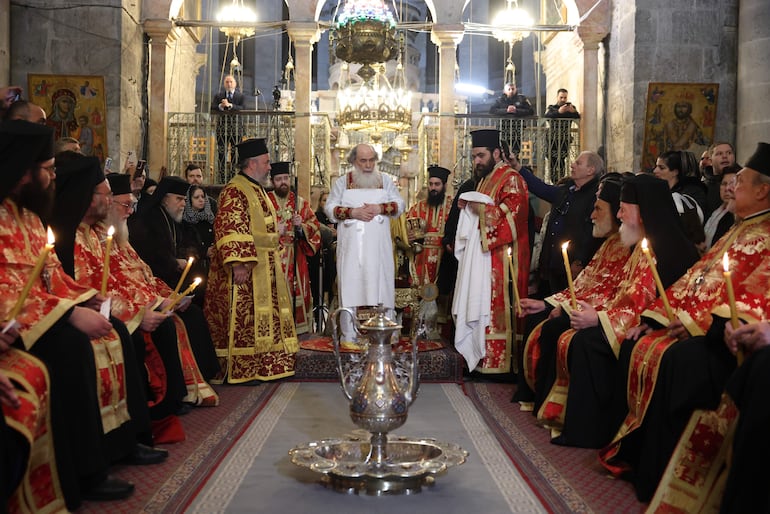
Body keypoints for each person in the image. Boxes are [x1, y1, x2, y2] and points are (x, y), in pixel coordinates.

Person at [599, 142, 770, 502]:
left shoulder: (766, 234)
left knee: (680, 360)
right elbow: (697, 278)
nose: (731, 185)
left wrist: (695, 324)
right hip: (701, 326)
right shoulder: (737, 229)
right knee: (641, 342)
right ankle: (638, 458)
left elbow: (753, 298)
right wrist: (659, 316)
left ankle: (664, 472)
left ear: (762, 190)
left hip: (730, 339)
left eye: (740, 180)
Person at [0, 120, 135, 508]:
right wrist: (68, 315)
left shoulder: (27, 216)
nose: (52, 177)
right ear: (23, 171)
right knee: (70, 349)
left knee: (104, 333)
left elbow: (51, 274)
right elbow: (10, 289)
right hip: (19, 326)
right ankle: (83, 473)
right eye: (47, 170)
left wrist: (85, 300)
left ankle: (111, 453)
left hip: (36, 317)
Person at [530, 174, 699, 448]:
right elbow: (621, 294)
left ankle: (591, 431)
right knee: (580, 336)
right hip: (629, 322)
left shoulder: (669, 248)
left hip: (657, 328)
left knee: (588, 342)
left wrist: (598, 318)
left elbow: (650, 301)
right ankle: (581, 426)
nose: (619, 215)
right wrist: (594, 313)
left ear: (643, 212)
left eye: (624, 208)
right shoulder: (639, 245)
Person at [204, 137, 299, 382]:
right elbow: (229, 226)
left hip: (265, 265)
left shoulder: (256, 189)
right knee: (245, 320)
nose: (270, 167)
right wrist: (239, 262)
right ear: (252, 163)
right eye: (267, 163)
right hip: (247, 266)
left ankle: (263, 364)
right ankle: (243, 366)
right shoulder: (235, 190)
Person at [452, 129, 529, 375]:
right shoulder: (485, 180)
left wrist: (480, 210)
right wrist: (469, 208)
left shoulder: (511, 178)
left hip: (503, 258)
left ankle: (502, 364)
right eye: (474, 156)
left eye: (481, 156)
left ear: (496, 153)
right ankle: (482, 359)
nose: (477, 161)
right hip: (485, 256)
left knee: (497, 306)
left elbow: (515, 212)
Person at [324, 143, 405, 344]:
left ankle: (383, 334)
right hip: (352, 251)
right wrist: (353, 212)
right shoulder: (343, 182)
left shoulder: (385, 181)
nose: (368, 165)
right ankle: (350, 335)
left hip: (379, 250)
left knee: (380, 287)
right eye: (363, 160)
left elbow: (400, 205)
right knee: (351, 286)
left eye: (372, 160)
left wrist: (379, 208)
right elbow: (330, 208)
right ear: (353, 161)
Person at [523, 151, 604, 297]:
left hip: (572, 265)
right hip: (552, 262)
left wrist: (580, 260)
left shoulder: (595, 196)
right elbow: (542, 189)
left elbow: (591, 232)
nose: (572, 165)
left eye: (578, 163)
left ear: (590, 170)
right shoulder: (567, 190)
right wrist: (518, 168)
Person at [267, 161, 322, 335]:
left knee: (298, 294)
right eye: (279, 179)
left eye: (286, 178)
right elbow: (255, 226)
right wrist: (275, 229)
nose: (283, 182)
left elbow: (315, 227)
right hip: (272, 257)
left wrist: (301, 227)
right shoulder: (265, 201)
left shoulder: (300, 203)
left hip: (295, 258)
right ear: (272, 181)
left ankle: (299, 332)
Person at [404, 165, 455, 334]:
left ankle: (440, 336)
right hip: (420, 261)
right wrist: (407, 237)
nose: (433, 188)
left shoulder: (453, 207)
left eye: (437, 184)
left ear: (444, 185)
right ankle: (415, 333)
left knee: (442, 300)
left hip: (444, 262)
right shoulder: (418, 207)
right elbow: (404, 230)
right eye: (431, 184)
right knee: (417, 299)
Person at [652, 150, 707, 248]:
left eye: (661, 168)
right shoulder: (662, 192)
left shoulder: (692, 191)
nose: (655, 171)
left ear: (675, 172)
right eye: (656, 166)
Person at [181, 184, 216, 289]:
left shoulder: (210, 218)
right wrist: (204, 251)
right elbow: (185, 245)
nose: (201, 200)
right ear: (189, 200)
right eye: (196, 197)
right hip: (195, 267)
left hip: (211, 266)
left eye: (203, 197)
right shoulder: (184, 221)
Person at [211, 75, 244, 183]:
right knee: (221, 153)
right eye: (227, 82)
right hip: (222, 129)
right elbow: (212, 107)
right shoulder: (219, 95)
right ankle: (222, 178)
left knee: (235, 153)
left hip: (235, 129)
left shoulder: (240, 96)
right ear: (224, 84)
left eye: (231, 82)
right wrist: (221, 106)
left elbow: (243, 108)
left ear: (235, 84)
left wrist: (230, 105)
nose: (229, 84)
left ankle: (234, 177)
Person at [544, 88, 581, 182]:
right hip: (552, 139)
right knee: (552, 161)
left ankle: (561, 180)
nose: (563, 100)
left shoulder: (570, 108)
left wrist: (573, 112)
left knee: (562, 161)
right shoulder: (552, 108)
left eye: (565, 97)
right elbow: (547, 117)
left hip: (564, 139)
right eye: (561, 97)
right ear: (557, 97)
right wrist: (559, 112)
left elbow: (577, 117)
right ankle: (553, 180)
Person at [489, 82, 534, 156]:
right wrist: (506, 110)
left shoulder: (521, 99)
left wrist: (516, 110)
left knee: (516, 151)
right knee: (503, 150)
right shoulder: (500, 100)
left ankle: (515, 164)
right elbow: (492, 110)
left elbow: (530, 111)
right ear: (504, 91)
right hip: (503, 128)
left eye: (513, 89)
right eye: (509, 89)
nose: (511, 91)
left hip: (517, 128)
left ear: (516, 89)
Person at [703, 164, 739, 249]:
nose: (727, 188)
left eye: (732, 183)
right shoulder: (716, 210)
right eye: (724, 184)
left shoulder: (737, 216)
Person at [703, 141, 737, 218]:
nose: (725, 156)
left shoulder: (743, 182)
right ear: (710, 161)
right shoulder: (702, 187)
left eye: (729, 153)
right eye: (719, 154)